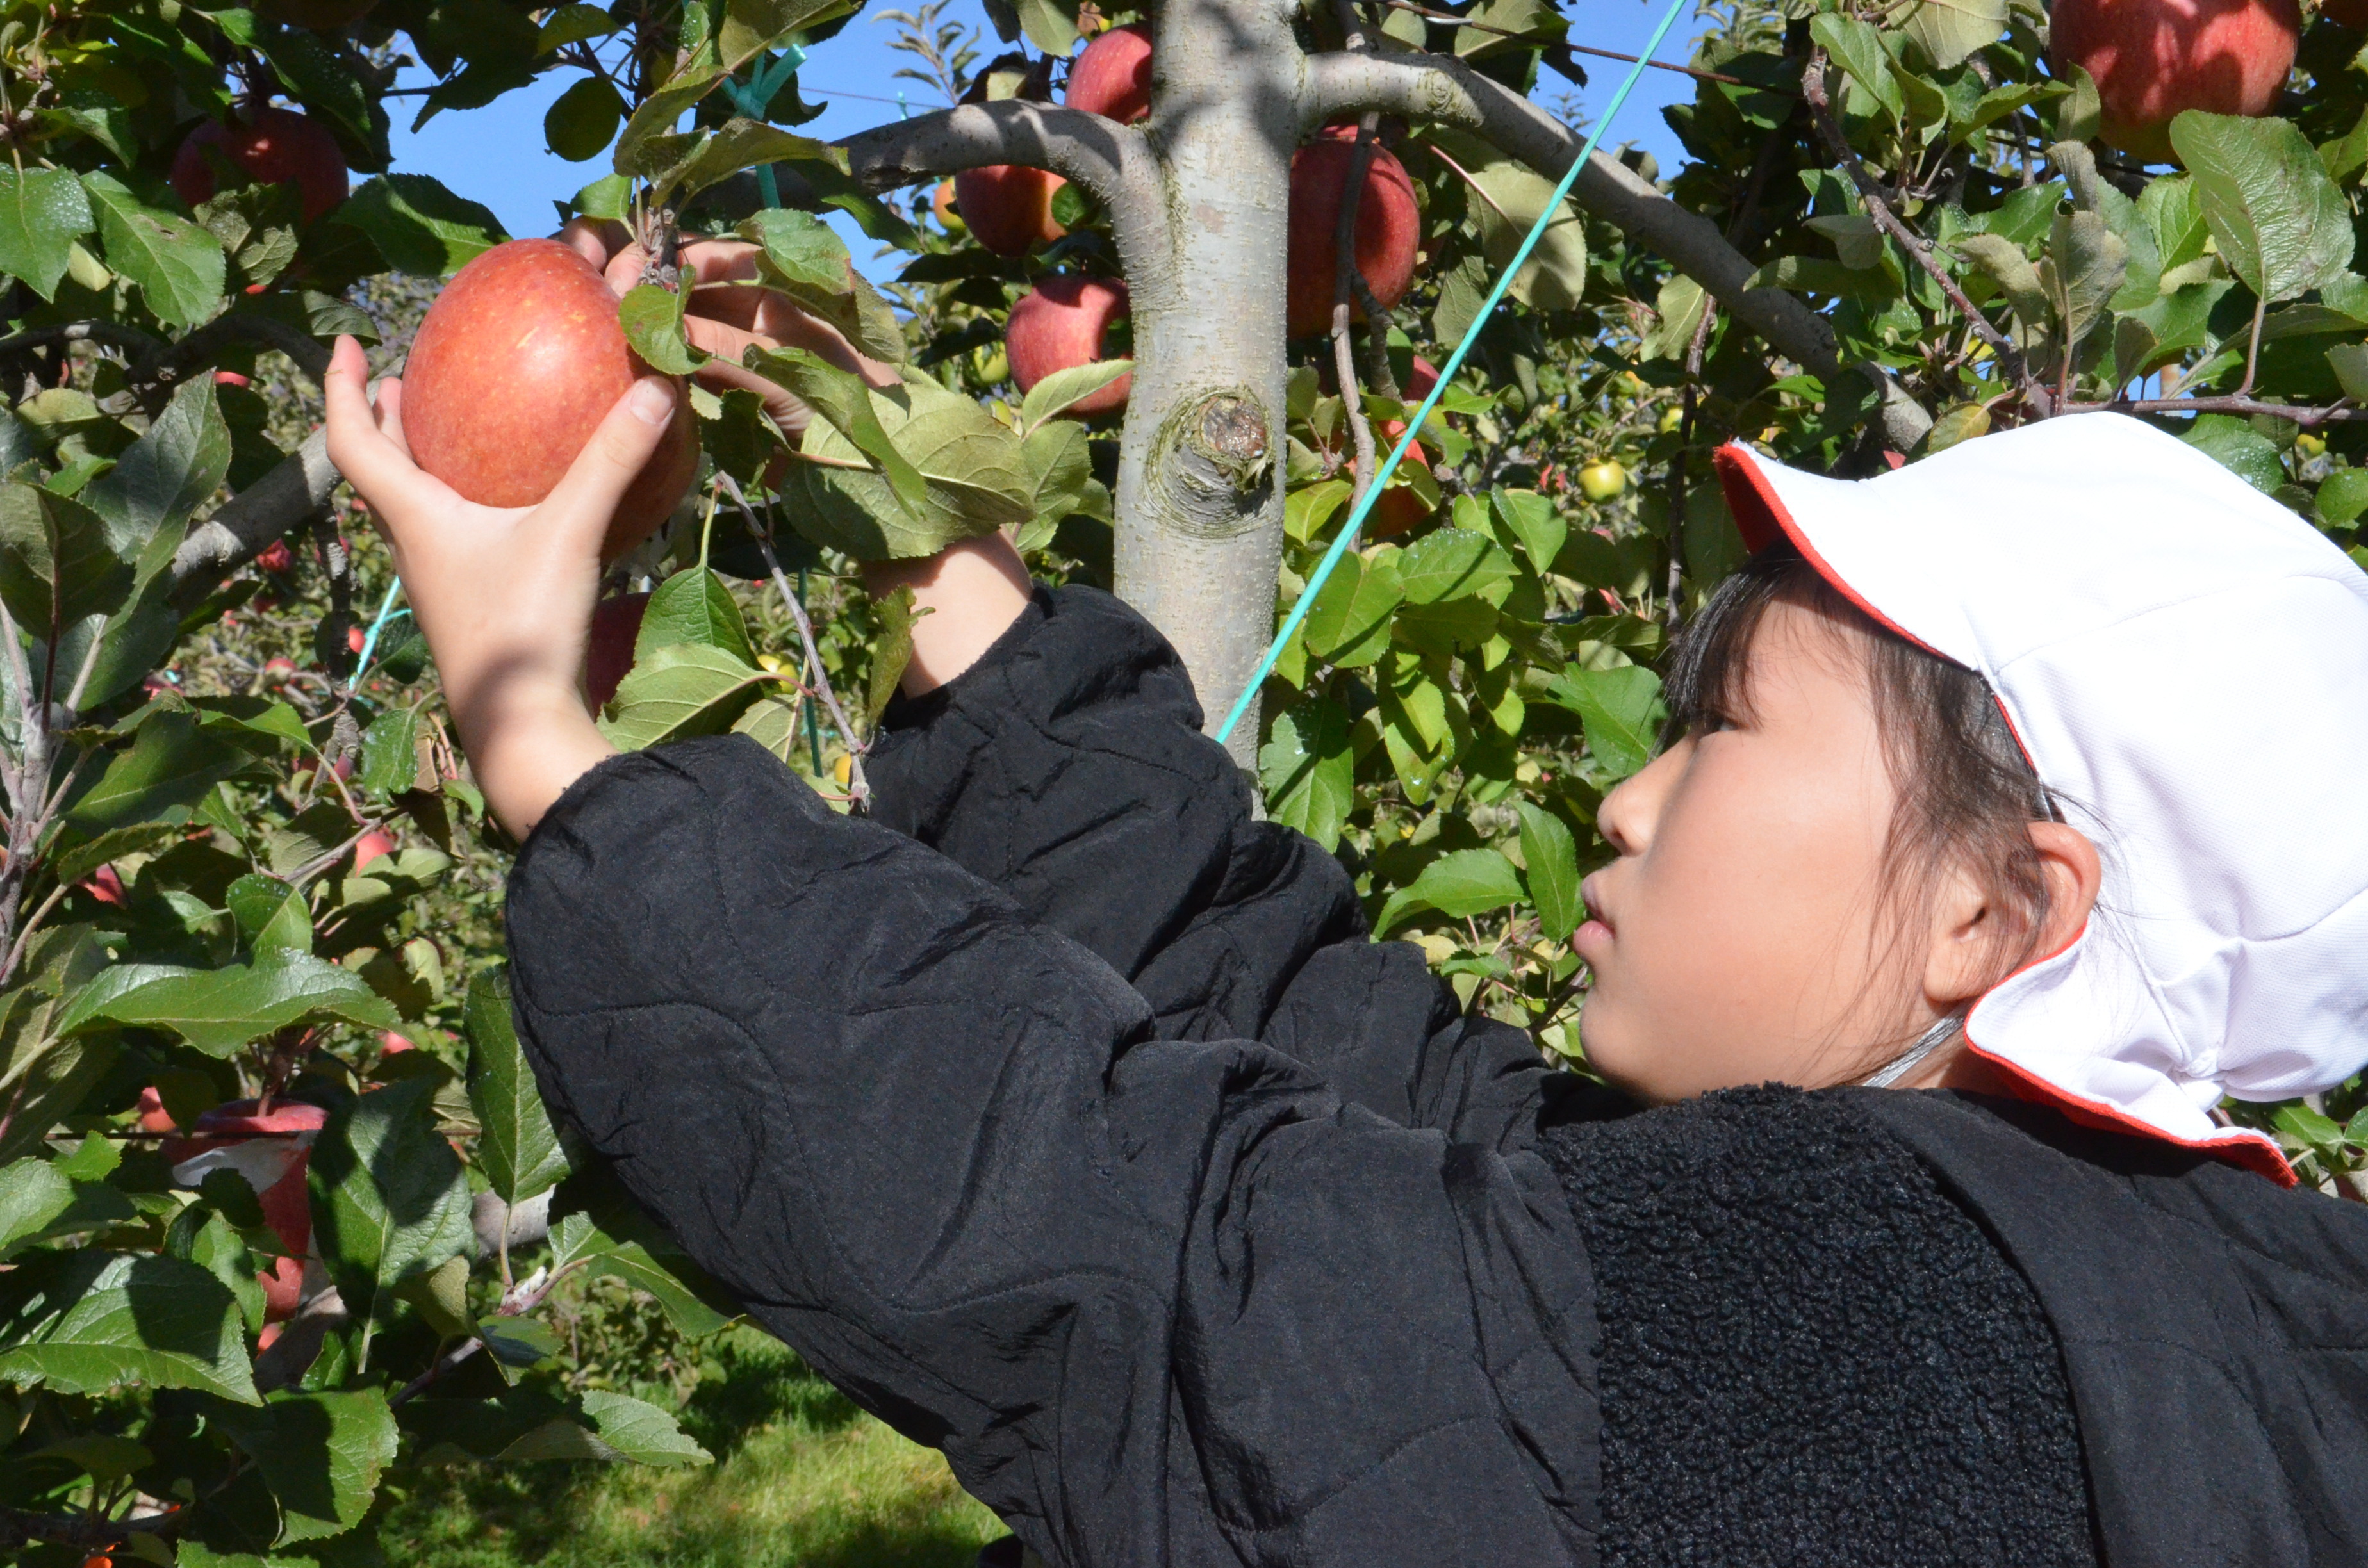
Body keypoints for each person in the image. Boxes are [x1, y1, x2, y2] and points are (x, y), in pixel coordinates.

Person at [325, 247, 2368, 1566]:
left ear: (2003, 913)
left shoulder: (1863, 1345)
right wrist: (923, 543)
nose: (1627, 796)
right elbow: (1318, 1045)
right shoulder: (2104, 1269)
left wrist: (545, 738)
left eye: (1725, 732)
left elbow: (1176, 1264)